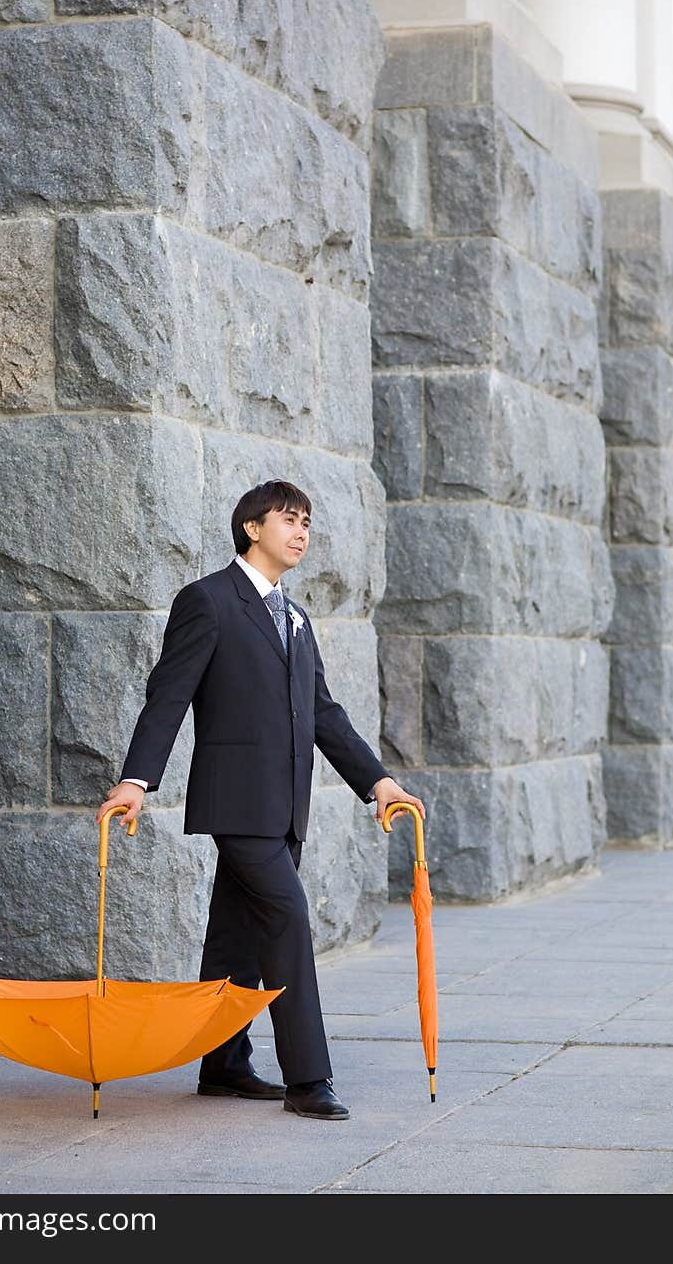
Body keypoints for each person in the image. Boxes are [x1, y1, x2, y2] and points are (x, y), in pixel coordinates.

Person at [96, 479, 425, 1120]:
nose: (301, 532)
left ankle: (222, 1064)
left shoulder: (296, 618)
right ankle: (308, 1079)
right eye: (288, 520)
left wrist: (378, 783)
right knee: (287, 922)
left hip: (286, 808)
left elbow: (323, 713)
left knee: (234, 939)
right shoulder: (208, 602)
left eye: (307, 522)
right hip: (236, 804)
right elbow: (168, 697)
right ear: (252, 528)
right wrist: (136, 781)